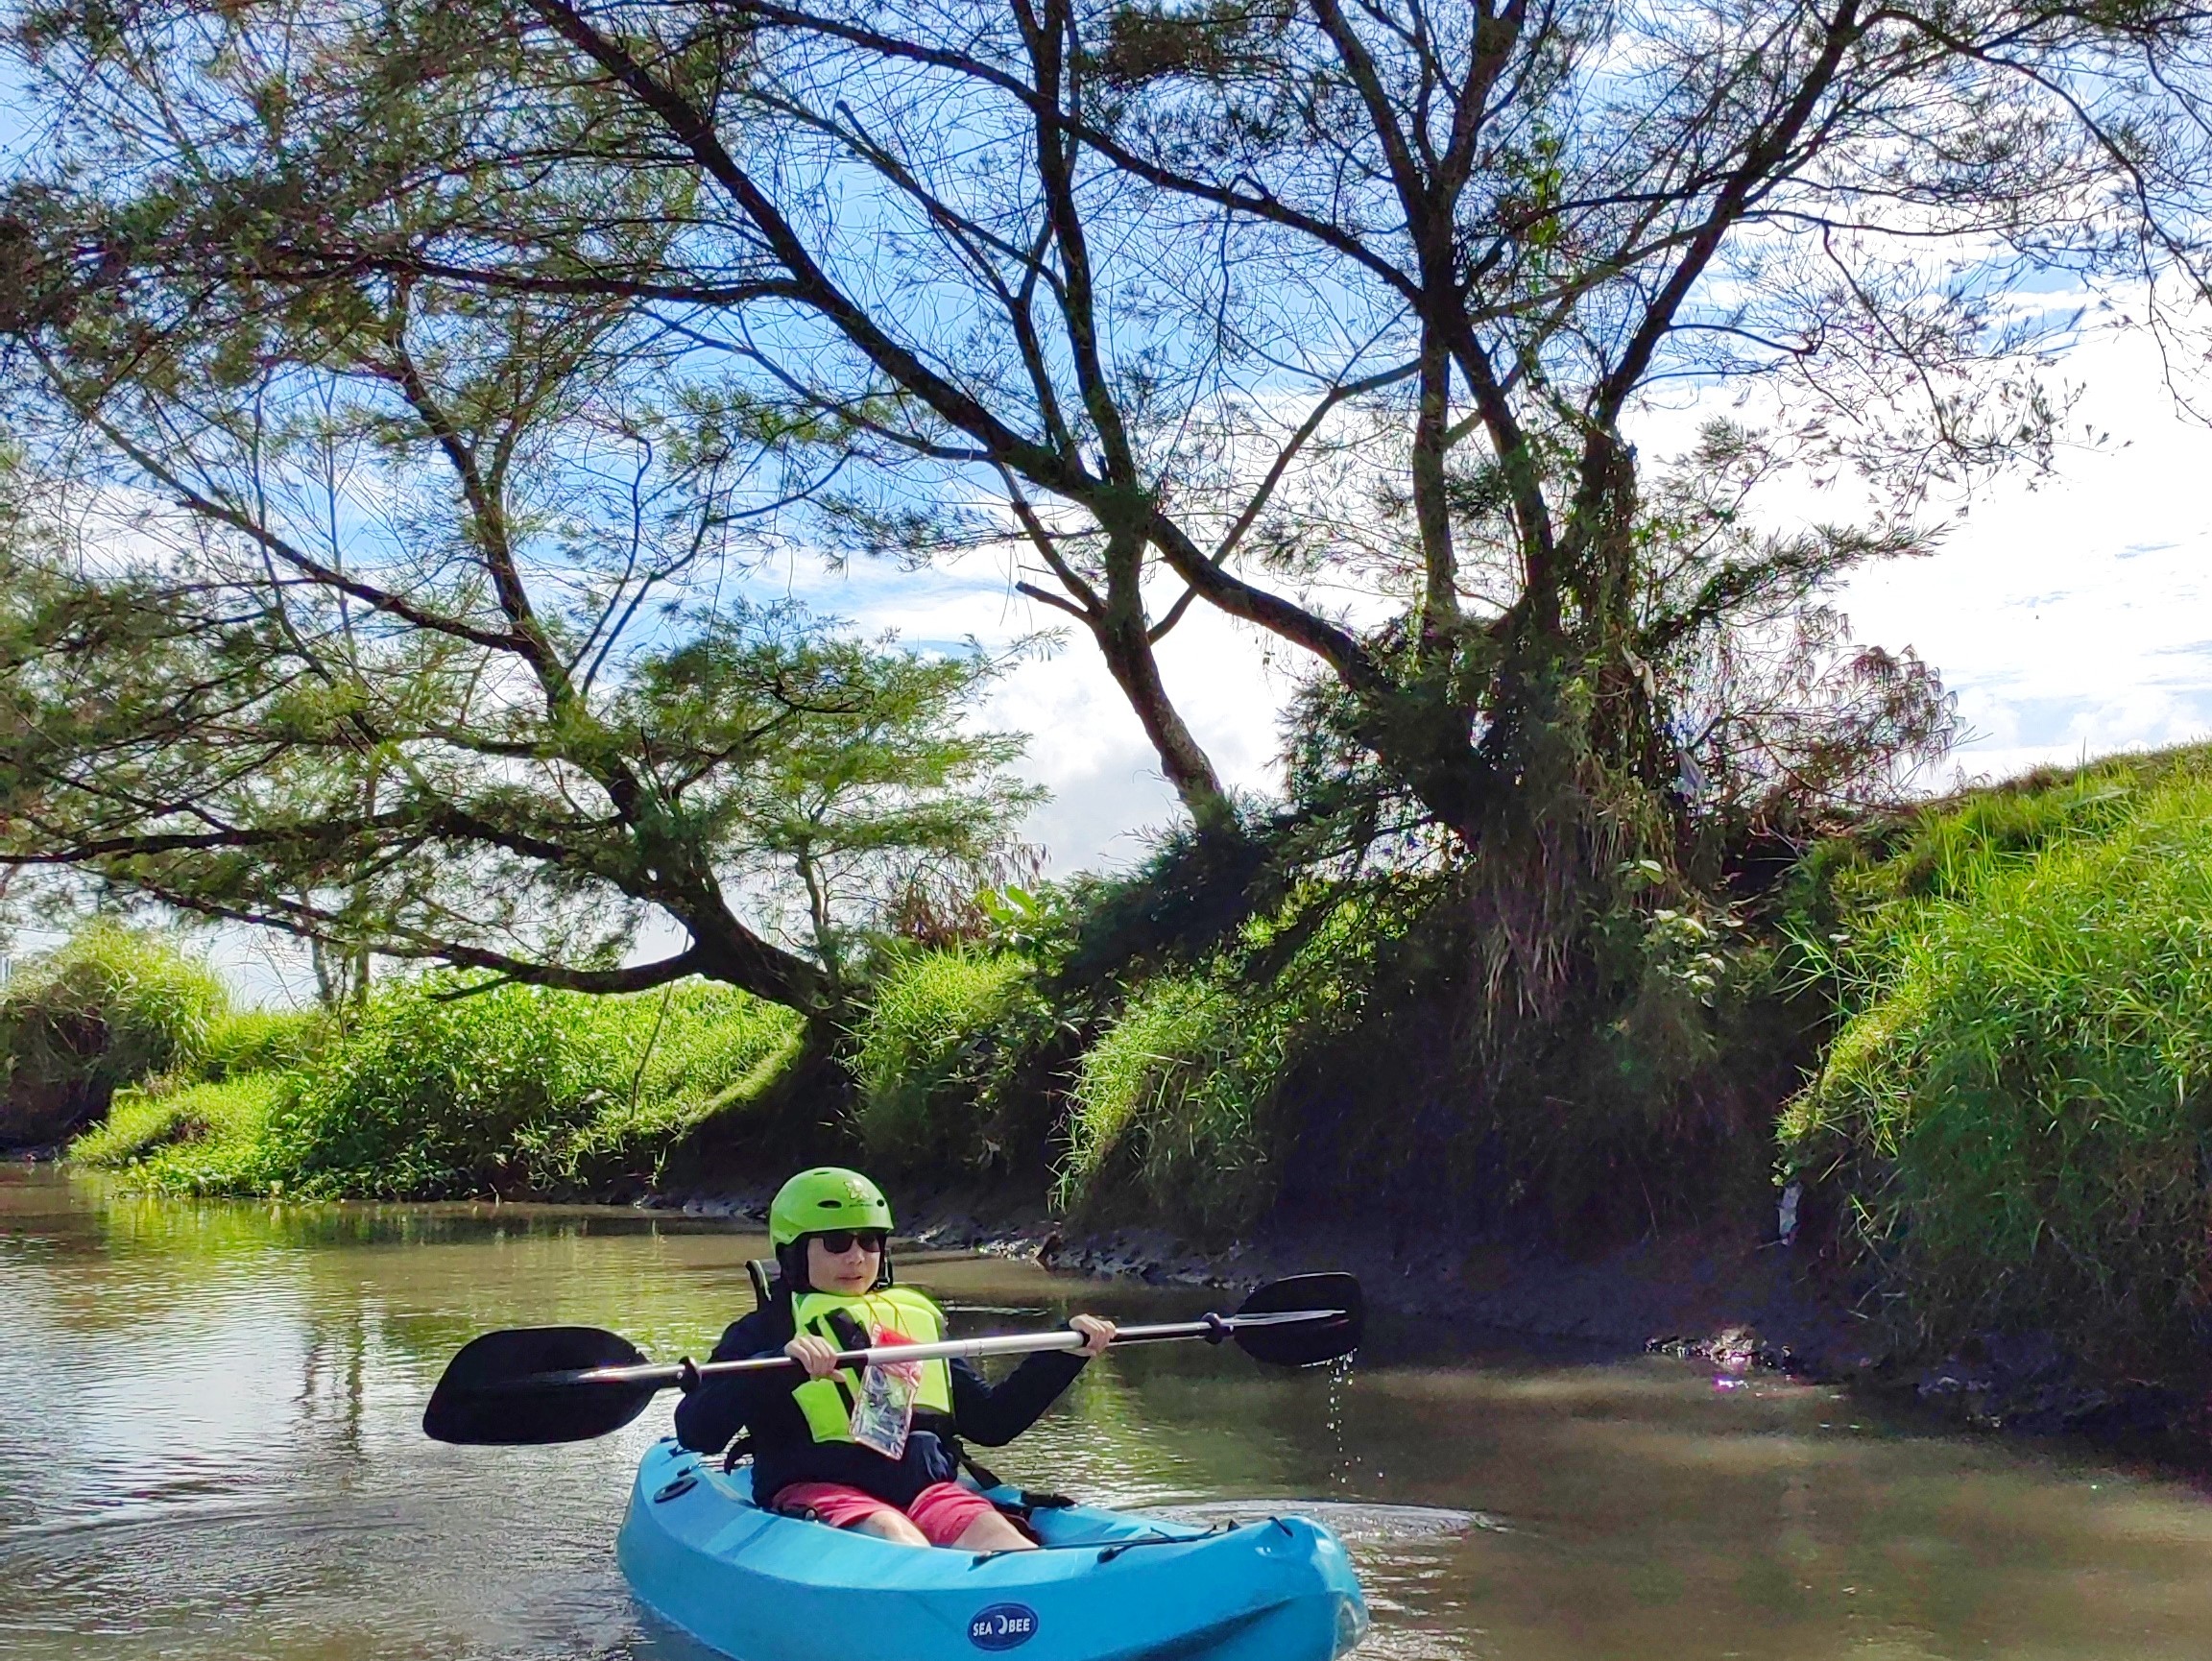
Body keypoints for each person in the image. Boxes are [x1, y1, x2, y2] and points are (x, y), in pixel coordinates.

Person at [673, 1167, 1117, 1553]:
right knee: (892, 1531)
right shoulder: (764, 1331)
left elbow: (992, 1422)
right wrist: (776, 1366)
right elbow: (697, 1430)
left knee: (1004, 1541)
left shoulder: (912, 1322)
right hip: (824, 1491)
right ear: (793, 1252)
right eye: (835, 1242)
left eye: (869, 1242)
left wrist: (1063, 1352)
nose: (856, 1257)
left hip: (926, 1491)